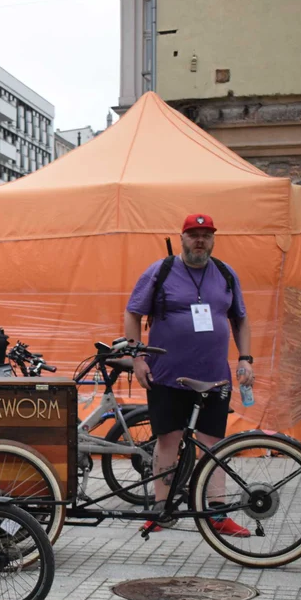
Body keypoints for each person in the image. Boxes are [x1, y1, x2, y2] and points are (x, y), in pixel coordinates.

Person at [123, 213, 254, 537]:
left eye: (206, 235)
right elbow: (133, 312)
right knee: (168, 440)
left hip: (214, 377)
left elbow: (240, 318)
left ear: (213, 239)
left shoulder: (225, 274)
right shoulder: (161, 271)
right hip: (166, 376)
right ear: (182, 238)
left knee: (213, 444)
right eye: (194, 234)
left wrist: (246, 359)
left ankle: (217, 514)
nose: (200, 240)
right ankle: (161, 510)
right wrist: (138, 358)